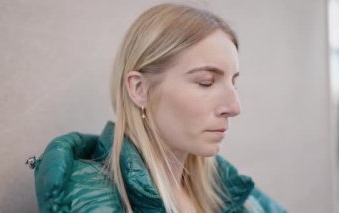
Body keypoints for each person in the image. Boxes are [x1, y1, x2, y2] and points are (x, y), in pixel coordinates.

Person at [30, 3, 286, 213]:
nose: (234, 107)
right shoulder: (92, 195)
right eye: (206, 82)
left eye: (234, 83)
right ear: (140, 89)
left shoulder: (225, 187)